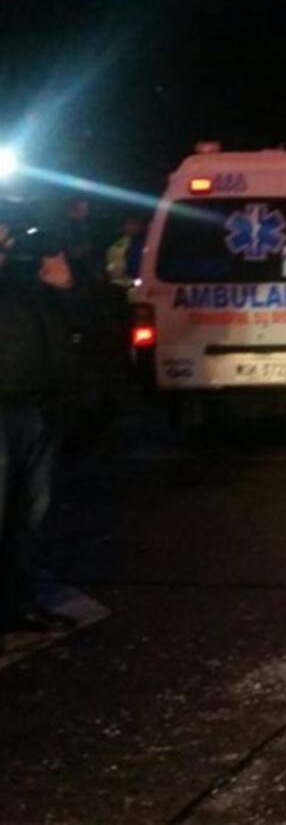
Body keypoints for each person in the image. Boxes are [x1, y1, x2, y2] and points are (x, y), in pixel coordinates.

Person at [0, 201, 77, 648]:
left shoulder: (29, 280)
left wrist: (65, 284)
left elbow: (80, 319)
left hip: (39, 404)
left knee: (30, 514)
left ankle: (17, 604)